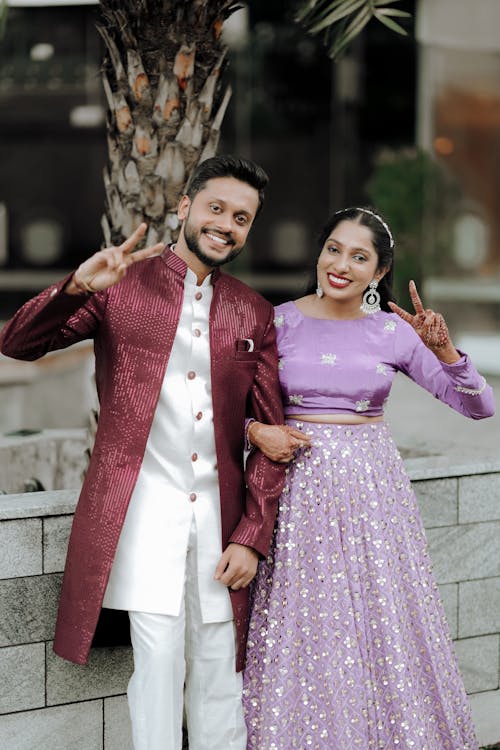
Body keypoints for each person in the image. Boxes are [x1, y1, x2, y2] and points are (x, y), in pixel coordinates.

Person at [0, 155, 289, 750]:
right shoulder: (120, 285)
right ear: (184, 207)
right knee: (156, 666)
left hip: (220, 523)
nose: (226, 225)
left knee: (219, 669)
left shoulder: (254, 311)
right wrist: (76, 287)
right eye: (216, 209)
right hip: (142, 518)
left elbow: (271, 434)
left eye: (242, 217)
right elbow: (18, 343)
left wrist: (252, 534)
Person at [243, 206, 495, 750]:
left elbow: (480, 407)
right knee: (305, 618)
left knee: (380, 616)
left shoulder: (393, 333)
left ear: (378, 273)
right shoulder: (277, 320)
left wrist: (443, 350)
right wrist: (252, 431)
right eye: (333, 248)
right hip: (297, 492)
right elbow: (229, 406)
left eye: (359, 257)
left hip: (373, 495)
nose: (340, 264)